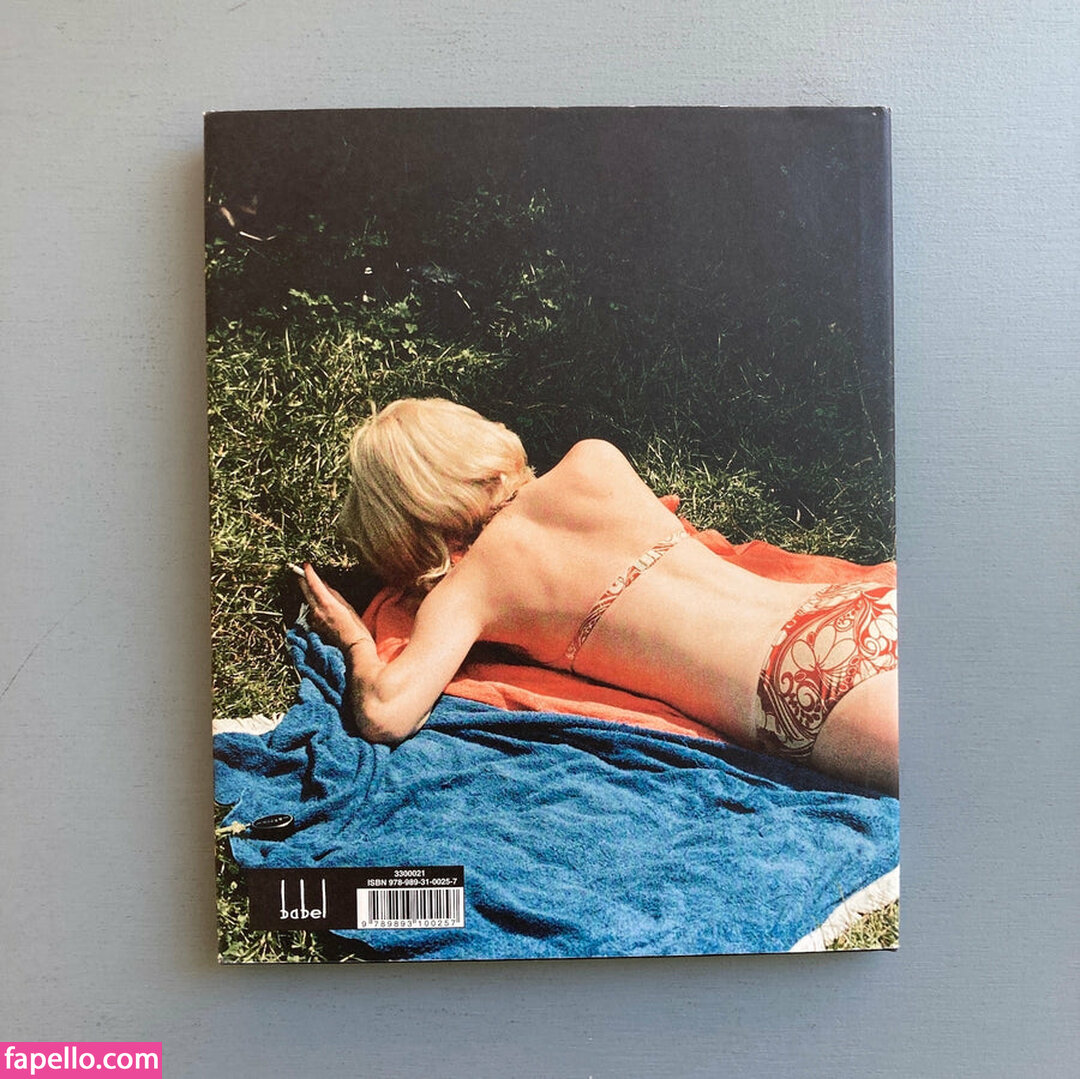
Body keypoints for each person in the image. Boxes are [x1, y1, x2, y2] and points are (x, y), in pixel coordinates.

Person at [298, 398, 899, 795]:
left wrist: (353, 637)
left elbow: (385, 715)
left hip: (797, 683)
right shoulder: (594, 459)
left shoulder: (471, 588)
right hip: (858, 607)